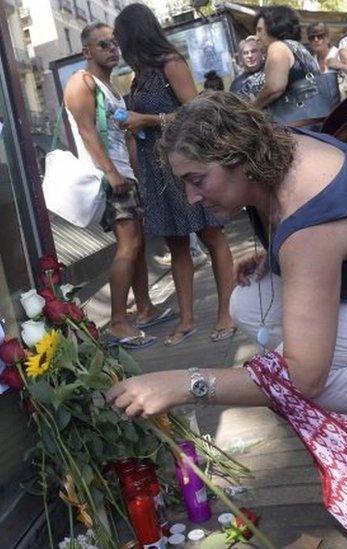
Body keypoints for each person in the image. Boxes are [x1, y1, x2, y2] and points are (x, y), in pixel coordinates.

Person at [107, 92, 347, 458]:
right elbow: (308, 228)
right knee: (249, 305)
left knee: (304, 379)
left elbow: (302, 375)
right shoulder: (275, 146)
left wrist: (182, 384)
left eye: (197, 180)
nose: (192, 198)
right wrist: (277, 257)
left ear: (238, 157)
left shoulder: (308, 229)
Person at [113, 3, 236, 346]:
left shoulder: (170, 63)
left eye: (120, 39)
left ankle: (227, 312)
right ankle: (187, 319)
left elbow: (195, 112)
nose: (119, 47)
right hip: (156, 170)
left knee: (212, 236)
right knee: (177, 243)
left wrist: (148, 120)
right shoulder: (138, 76)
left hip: (187, 163)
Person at [63, 22, 166, 348]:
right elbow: (86, 131)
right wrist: (112, 173)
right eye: (103, 44)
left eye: (114, 44)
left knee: (136, 245)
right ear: (87, 51)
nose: (112, 49)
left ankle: (145, 307)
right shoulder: (82, 82)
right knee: (128, 246)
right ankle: (119, 322)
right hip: (110, 177)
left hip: (125, 176)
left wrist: (132, 173)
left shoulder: (110, 88)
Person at [251, 5, 333, 124]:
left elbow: (274, 88)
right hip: (316, 120)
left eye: (259, 30)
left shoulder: (277, 47)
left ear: (274, 27)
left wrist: (253, 107)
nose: (256, 37)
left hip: (298, 126)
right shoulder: (297, 47)